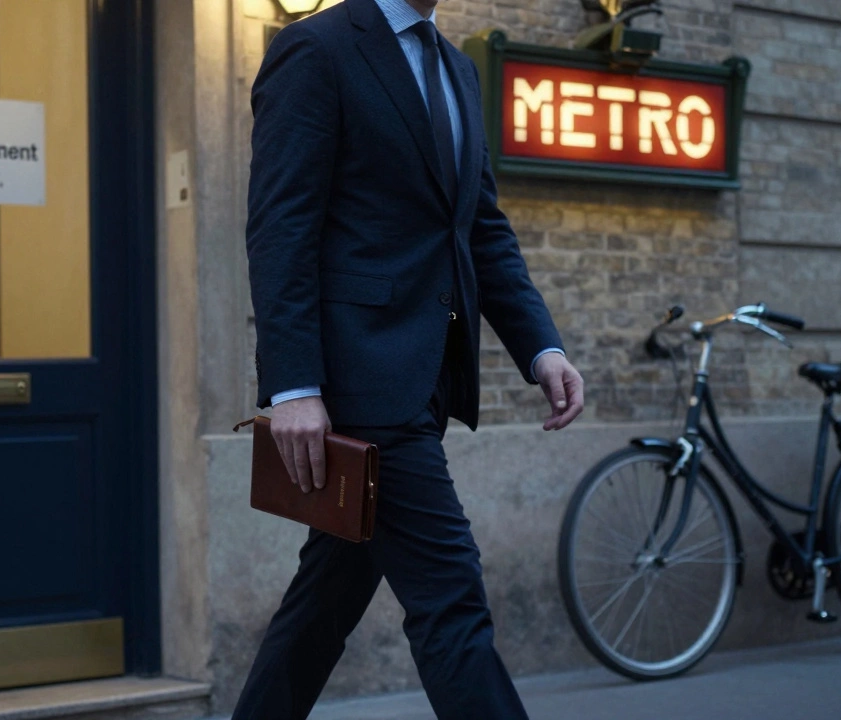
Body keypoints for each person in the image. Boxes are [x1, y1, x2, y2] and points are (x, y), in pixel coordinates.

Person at [235, 0, 585, 717]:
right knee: (450, 600)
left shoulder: (455, 68)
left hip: (426, 380)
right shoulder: (317, 48)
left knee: (324, 604)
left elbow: (479, 227)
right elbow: (281, 225)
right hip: (362, 384)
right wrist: (294, 385)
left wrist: (540, 347)